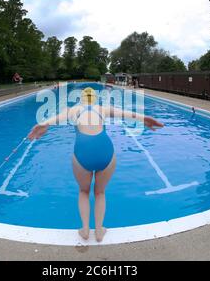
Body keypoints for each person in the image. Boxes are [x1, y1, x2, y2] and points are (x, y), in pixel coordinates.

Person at [28, 87, 164, 242]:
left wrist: (44, 123)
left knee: (83, 192)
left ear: (81, 99)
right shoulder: (102, 109)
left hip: (82, 152)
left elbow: (56, 118)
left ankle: (85, 229)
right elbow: (127, 114)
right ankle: (99, 230)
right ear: (95, 99)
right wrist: (145, 118)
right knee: (100, 193)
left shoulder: (74, 109)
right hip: (105, 150)